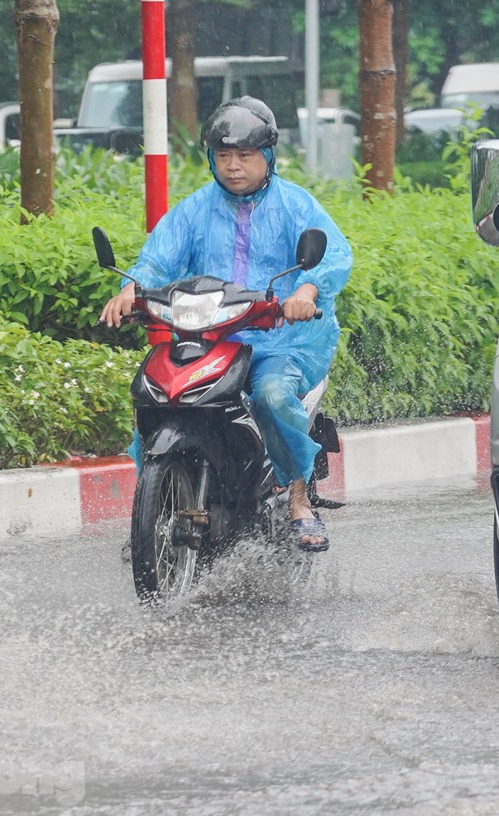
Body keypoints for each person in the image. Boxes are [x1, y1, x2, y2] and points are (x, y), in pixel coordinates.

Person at [99, 96, 352, 551]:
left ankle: (299, 501)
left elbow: (332, 256)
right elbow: (157, 258)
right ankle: (153, 505)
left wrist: (306, 292)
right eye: (223, 155)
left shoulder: (296, 205)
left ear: (268, 157)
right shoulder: (195, 209)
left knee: (271, 394)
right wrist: (130, 290)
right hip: (214, 335)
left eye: (245, 155)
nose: (233, 166)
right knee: (157, 393)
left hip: (285, 338)